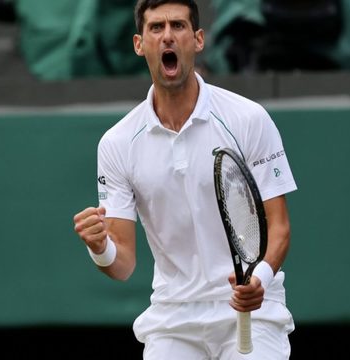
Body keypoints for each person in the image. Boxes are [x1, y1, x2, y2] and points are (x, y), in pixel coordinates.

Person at [72, 0, 297, 358]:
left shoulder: (248, 119)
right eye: (156, 28)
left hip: (253, 311)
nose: (167, 37)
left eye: (177, 26)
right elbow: (123, 263)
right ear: (139, 43)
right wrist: (99, 248)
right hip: (173, 319)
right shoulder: (116, 144)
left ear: (198, 39)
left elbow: (280, 226)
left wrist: (261, 280)